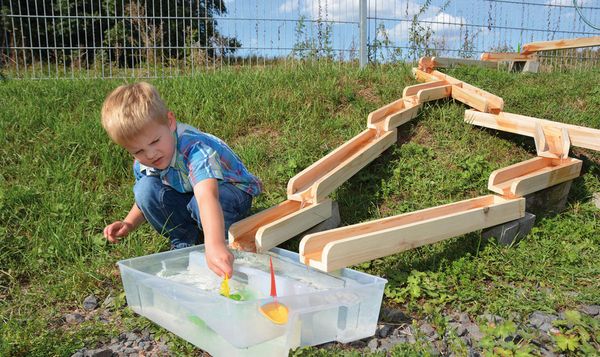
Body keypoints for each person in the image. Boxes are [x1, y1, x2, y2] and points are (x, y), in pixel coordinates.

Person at [100, 82, 262, 278]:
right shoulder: (143, 163)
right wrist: (129, 223)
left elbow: (207, 197)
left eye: (154, 141)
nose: (150, 154)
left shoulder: (194, 148)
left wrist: (215, 244)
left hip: (231, 193)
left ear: (170, 122)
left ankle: (226, 243)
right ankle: (184, 239)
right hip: (191, 193)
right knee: (145, 188)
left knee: (199, 204)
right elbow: (145, 200)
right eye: (138, 151)